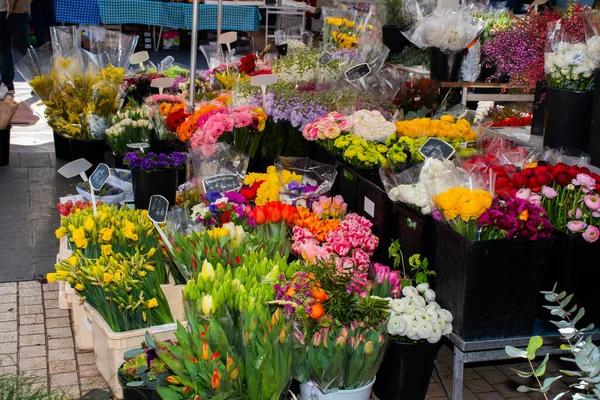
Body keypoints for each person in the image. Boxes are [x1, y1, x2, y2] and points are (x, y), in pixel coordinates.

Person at [0, 0, 33, 94]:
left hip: (18, 12)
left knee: (25, 49)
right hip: (1, 11)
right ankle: (7, 84)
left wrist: (21, 6)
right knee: (3, 50)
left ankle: (41, 82)